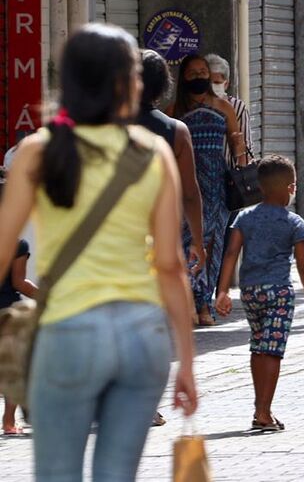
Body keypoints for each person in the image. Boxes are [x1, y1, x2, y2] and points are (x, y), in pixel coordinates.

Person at [0, 24, 197, 479]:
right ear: (129, 83)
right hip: (140, 337)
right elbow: (169, 266)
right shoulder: (152, 152)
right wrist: (186, 361)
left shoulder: (37, 151)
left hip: (67, 333)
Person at [215, 155, 304, 431]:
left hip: (250, 293)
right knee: (272, 352)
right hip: (279, 294)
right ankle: (263, 412)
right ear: (290, 187)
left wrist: (223, 291)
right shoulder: (294, 222)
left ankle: (260, 408)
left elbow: (230, 254)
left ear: (260, 187)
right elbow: (303, 265)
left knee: (258, 347)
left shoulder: (243, 217)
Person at [170, 53, 245, 326]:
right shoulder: (173, 110)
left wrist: (243, 173)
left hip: (216, 185)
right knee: (185, 243)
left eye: (203, 71)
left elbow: (238, 148)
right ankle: (188, 301)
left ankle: (205, 304)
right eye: (193, 73)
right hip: (186, 184)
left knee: (212, 246)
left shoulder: (223, 107)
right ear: (183, 78)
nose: (200, 76)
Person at [139, 49, 206, 273]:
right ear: (163, 85)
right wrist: (198, 239)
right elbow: (189, 192)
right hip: (159, 234)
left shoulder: (103, 128)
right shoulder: (175, 130)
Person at [1, 237, 36, 435]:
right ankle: (8, 422)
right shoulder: (17, 244)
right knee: (13, 366)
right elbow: (19, 282)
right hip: (7, 312)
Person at [206, 53, 254, 161]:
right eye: (208, 83)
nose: (212, 87)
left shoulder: (237, 107)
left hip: (228, 173)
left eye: (217, 82)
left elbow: (246, 148)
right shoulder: (196, 106)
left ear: (226, 84)